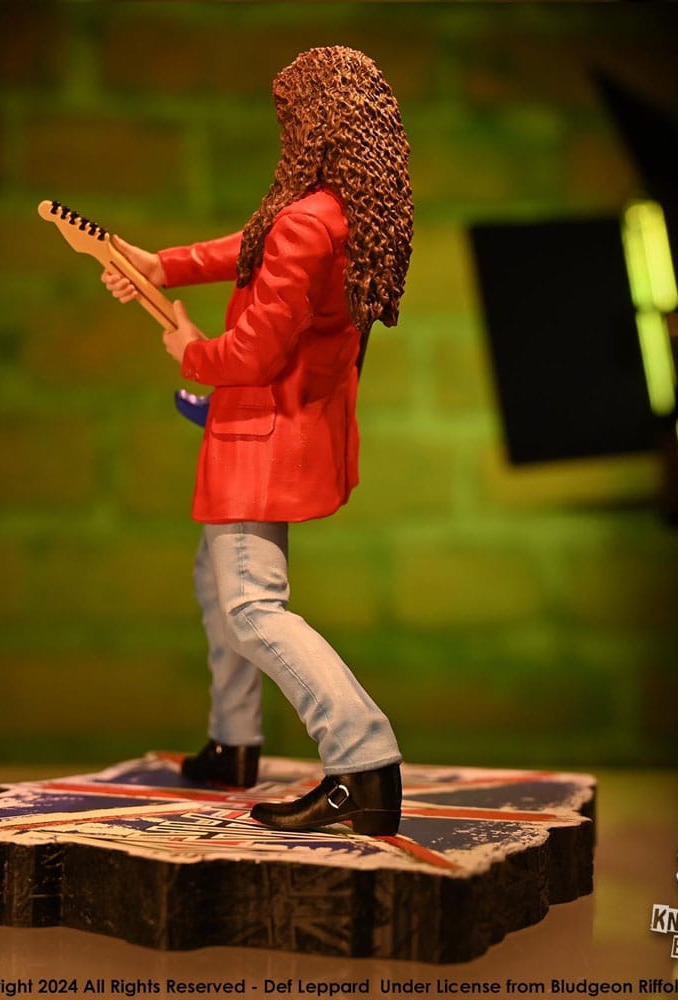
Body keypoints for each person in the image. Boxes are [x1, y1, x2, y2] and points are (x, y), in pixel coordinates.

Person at [102, 46, 413, 835]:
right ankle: (234, 741)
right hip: (293, 423)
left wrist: (191, 352)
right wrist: (161, 266)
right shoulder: (342, 211)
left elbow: (256, 352)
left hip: (260, 433)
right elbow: (254, 245)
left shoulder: (308, 221)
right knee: (219, 587)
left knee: (250, 606)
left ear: (317, 125)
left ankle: (363, 760)